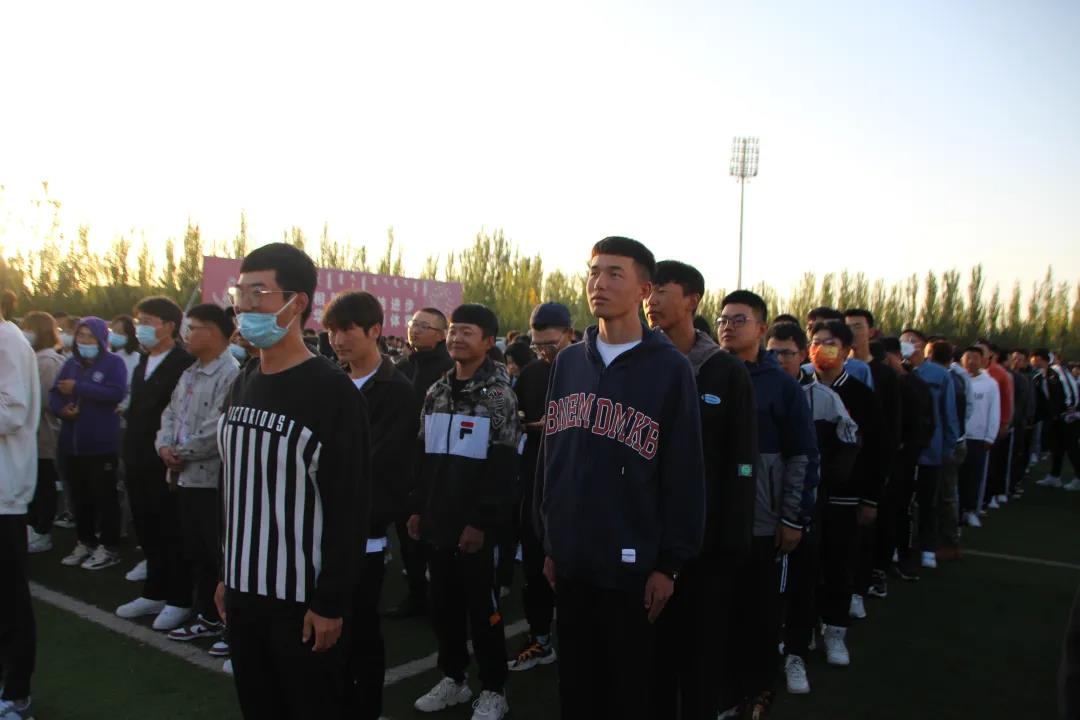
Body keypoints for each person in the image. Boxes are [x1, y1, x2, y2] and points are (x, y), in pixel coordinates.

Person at [537, 237, 705, 720]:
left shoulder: (670, 368)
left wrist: (669, 565)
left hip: (633, 566)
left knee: (629, 691)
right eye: (594, 272)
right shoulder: (569, 361)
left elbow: (684, 472)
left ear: (643, 290)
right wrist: (550, 540)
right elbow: (552, 457)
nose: (600, 283)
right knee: (576, 687)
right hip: (572, 560)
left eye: (615, 273)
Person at [215, 243, 370, 719]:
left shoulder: (331, 392)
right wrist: (227, 574)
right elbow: (236, 487)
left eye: (258, 293)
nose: (245, 306)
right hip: (242, 591)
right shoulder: (244, 379)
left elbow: (350, 506)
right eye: (240, 293)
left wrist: (330, 602)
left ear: (297, 302)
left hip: (299, 602)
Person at [645, 262, 757, 718]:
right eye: (648, 290)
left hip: (707, 543)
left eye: (662, 290)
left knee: (700, 652)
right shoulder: (639, 363)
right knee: (651, 654)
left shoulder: (724, 371)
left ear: (692, 299)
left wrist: (733, 536)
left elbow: (742, 460)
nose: (651, 300)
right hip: (646, 536)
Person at [408, 303, 520, 720]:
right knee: (443, 607)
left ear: (488, 342)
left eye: (467, 332)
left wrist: (481, 522)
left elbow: (503, 467)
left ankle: (493, 689)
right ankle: (454, 678)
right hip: (438, 521)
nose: (457, 338)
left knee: (483, 611)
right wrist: (417, 507)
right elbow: (423, 455)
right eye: (453, 330)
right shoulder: (437, 391)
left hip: (477, 528)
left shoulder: (498, 396)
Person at [719, 290, 815, 718]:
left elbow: (802, 456)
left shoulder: (782, 387)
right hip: (712, 517)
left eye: (739, 319)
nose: (728, 326)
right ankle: (723, 688)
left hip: (760, 519)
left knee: (758, 609)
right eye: (723, 319)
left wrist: (792, 517)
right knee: (718, 608)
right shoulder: (705, 373)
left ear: (761, 328)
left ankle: (757, 689)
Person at [323, 291, 418, 720]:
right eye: (331, 330)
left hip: (364, 532)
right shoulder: (329, 381)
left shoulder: (397, 391)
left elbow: (382, 464)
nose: (337, 339)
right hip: (320, 526)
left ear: (375, 330)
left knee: (360, 628)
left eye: (347, 330)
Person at [767, 320, 857, 696]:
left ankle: (796, 654)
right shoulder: (753, 388)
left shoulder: (823, 398)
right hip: (761, 509)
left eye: (787, 353)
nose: (779, 359)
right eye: (772, 352)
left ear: (802, 354)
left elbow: (846, 446)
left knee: (802, 583)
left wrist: (819, 487)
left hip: (804, 509)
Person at [154, 304, 240, 646]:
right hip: (184, 478)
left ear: (215, 332)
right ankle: (207, 616)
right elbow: (170, 414)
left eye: (193, 328)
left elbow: (218, 427)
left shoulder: (231, 374)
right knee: (197, 552)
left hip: (212, 482)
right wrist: (164, 446)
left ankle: (228, 623)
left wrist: (181, 452)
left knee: (218, 556)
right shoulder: (190, 373)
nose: (186, 335)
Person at [116, 297, 196, 632]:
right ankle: (154, 592)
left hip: (166, 461)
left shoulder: (183, 363)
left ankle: (179, 598)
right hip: (136, 457)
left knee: (170, 530)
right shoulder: (143, 362)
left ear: (169, 326)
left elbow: (182, 413)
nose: (141, 328)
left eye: (148, 321)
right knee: (146, 526)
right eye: (140, 321)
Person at [507, 302, 573, 674]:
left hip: (576, 485)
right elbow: (515, 417)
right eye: (538, 345)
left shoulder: (587, 368)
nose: (545, 352)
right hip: (536, 476)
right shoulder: (532, 374)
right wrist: (533, 425)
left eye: (551, 344)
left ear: (569, 334)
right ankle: (540, 638)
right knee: (534, 565)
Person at [389, 306, 454, 619]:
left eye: (424, 326)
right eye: (413, 324)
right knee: (407, 538)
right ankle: (417, 596)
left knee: (434, 538)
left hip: (435, 465)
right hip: (401, 466)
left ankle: (441, 600)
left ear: (441, 335)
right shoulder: (401, 366)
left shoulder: (449, 369)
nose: (415, 330)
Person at [50, 317, 128, 571]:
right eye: (81, 335)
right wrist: (62, 410)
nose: (84, 341)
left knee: (104, 497)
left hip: (101, 445)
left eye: (90, 336)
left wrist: (80, 388)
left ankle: (109, 546)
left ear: (101, 339)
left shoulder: (113, 363)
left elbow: (116, 393)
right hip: (72, 444)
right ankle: (86, 541)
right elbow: (54, 393)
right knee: (79, 496)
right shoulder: (70, 363)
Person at [0, 295, 40, 720]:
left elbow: (12, 412)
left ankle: (16, 693)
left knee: (10, 600)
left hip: (4, 494)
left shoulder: (7, 341)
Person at [899, 328, 959, 570]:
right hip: (903, 449)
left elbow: (948, 412)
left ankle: (927, 547)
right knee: (901, 500)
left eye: (913, 341)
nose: (908, 344)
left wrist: (948, 446)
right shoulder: (897, 372)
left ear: (923, 346)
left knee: (928, 501)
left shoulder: (939, 374)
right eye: (904, 341)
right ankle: (901, 546)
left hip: (931, 450)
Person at [875, 337, 934, 583]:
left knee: (900, 511)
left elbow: (925, 424)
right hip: (882, 460)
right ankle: (882, 561)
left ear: (897, 356)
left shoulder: (914, 385)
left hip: (904, 461)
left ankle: (902, 557)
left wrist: (909, 449)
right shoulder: (881, 380)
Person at [22, 312, 65, 555]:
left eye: (29, 328)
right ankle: (33, 526)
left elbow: (46, 400)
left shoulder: (47, 361)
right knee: (35, 482)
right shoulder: (35, 358)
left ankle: (43, 530)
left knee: (44, 483)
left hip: (44, 432)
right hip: (33, 433)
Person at [926, 339, 965, 561]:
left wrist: (949, 446)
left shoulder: (948, 379)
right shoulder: (956, 378)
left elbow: (951, 416)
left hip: (944, 444)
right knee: (944, 496)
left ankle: (948, 543)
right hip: (950, 442)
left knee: (944, 497)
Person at [958, 346, 1000, 529]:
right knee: (956, 477)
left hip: (978, 438)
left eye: (975, 358)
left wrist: (990, 436)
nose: (971, 362)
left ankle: (970, 510)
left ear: (983, 360)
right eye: (967, 357)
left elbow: (994, 411)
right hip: (958, 437)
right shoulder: (957, 379)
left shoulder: (990, 384)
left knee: (974, 476)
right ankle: (956, 511)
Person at [976, 339, 1014, 510]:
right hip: (973, 429)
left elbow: (1006, 401)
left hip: (992, 427)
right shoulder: (966, 372)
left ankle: (988, 496)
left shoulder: (999, 374)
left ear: (990, 355)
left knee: (991, 463)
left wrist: (1004, 423)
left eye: (981, 352)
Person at [805, 307, 873, 388]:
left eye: (829, 343)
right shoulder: (804, 372)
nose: (821, 348)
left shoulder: (859, 369)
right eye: (816, 343)